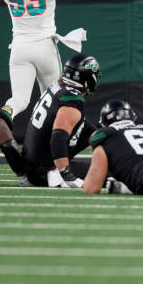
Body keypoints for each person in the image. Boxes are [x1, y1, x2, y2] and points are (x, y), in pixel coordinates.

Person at [21, 53, 101, 188]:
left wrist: (103, 140)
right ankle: (57, 172)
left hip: (31, 163)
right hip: (44, 169)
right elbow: (58, 138)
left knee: (91, 131)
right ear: (88, 78)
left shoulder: (57, 86)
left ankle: (56, 169)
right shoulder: (73, 99)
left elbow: (84, 128)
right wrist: (67, 174)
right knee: (108, 172)